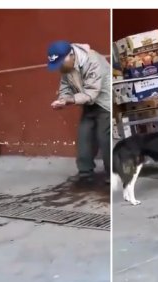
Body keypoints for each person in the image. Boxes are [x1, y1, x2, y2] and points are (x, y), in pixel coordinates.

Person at [47, 40, 111, 183]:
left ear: (70, 55)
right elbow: (65, 87)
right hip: (87, 103)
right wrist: (62, 99)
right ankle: (85, 172)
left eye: (60, 63)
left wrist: (69, 100)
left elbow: (92, 93)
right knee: (84, 135)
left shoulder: (93, 60)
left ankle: (112, 173)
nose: (59, 68)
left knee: (104, 137)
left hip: (105, 102)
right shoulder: (66, 67)